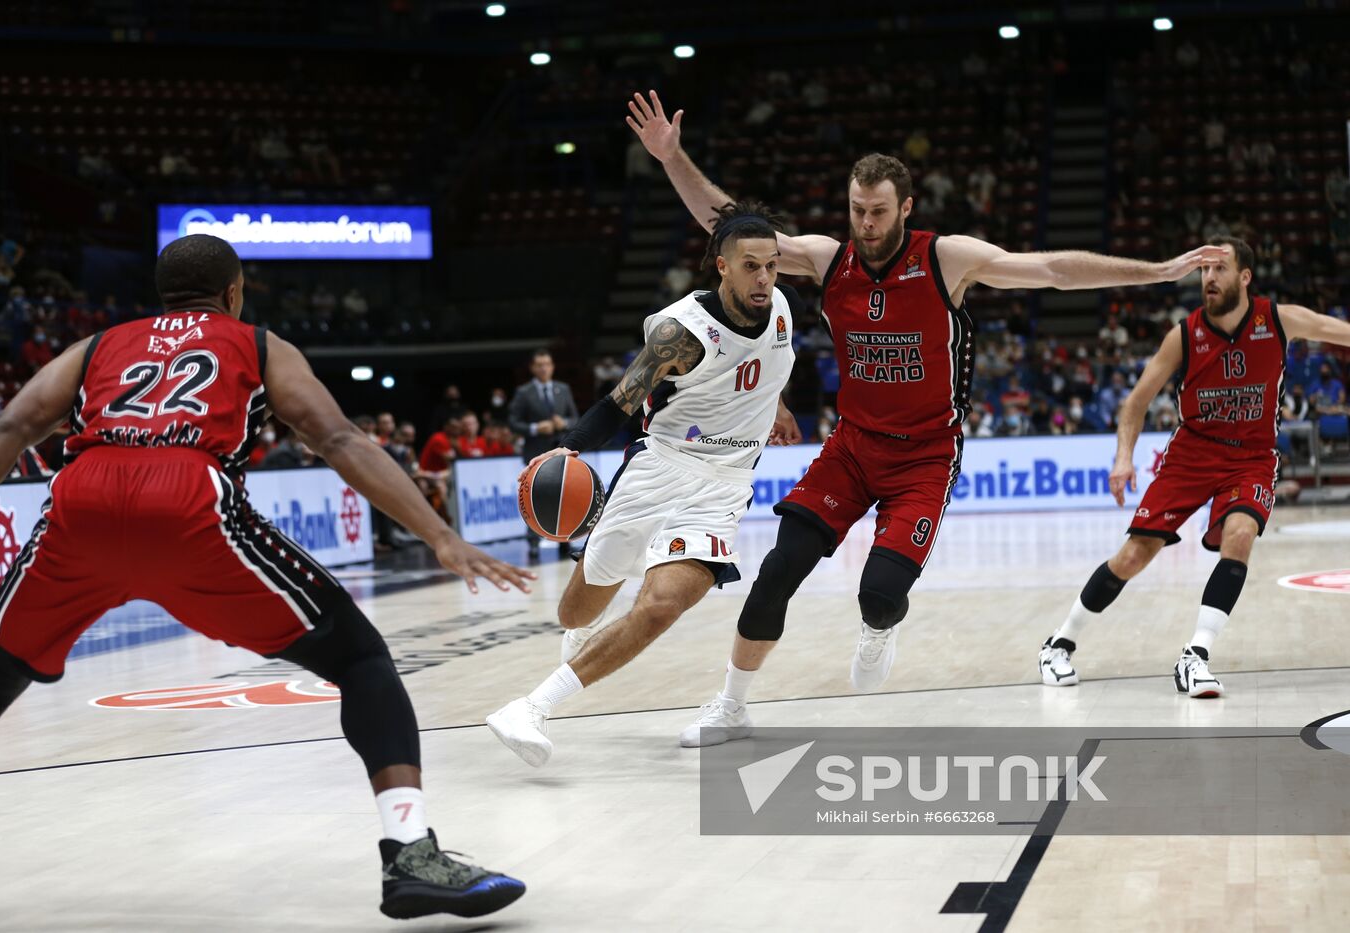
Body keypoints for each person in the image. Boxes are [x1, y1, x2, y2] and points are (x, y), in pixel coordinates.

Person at [0, 235, 531, 920]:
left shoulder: (98, 345)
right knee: (360, 658)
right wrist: (437, 533)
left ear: (162, 293)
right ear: (234, 291)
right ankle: (410, 853)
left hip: (83, 498)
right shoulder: (255, 342)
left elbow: (8, 427)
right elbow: (337, 437)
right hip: (188, 497)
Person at [625, 89, 1229, 747]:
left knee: (879, 594)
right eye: (858, 210)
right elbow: (730, 224)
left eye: (879, 212)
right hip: (852, 448)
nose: (867, 223)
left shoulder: (946, 258)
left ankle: (880, 626)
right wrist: (672, 156)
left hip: (925, 455)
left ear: (905, 208)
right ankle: (732, 707)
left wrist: (1156, 271)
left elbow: (1053, 271)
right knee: (776, 572)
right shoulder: (829, 259)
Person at [486, 201, 802, 767]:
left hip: (724, 485)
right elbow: (618, 404)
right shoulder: (681, 335)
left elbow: (768, 361)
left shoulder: (782, 307)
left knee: (662, 605)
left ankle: (532, 707)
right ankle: (580, 643)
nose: (764, 278)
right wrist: (572, 447)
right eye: (751, 266)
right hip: (658, 468)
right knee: (576, 613)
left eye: (772, 265)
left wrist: (774, 404)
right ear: (722, 268)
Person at [1038, 237, 1350, 697]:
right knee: (1134, 556)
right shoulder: (1184, 334)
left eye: (1220, 269)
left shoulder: (1278, 319)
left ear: (1244, 276)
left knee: (1239, 536)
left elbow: (1338, 330)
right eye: (1204, 270)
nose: (1209, 278)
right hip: (1192, 453)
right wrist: (1123, 457)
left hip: (1252, 457)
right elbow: (1135, 402)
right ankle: (1059, 643)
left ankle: (1195, 655)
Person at [508, 349, 580, 557]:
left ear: (552, 366)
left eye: (547, 364)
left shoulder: (562, 389)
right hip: (535, 451)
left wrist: (564, 423)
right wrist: (534, 428)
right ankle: (532, 541)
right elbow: (513, 423)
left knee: (564, 496)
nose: (543, 368)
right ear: (532, 368)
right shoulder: (524, 392)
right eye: (539, 364)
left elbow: (575, 418)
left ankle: (564, 540)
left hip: (560, 452)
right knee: (532, 496)